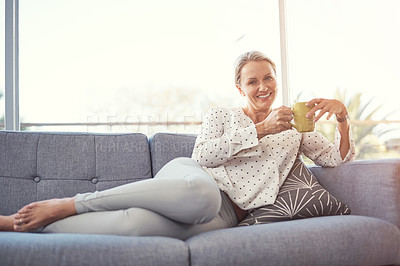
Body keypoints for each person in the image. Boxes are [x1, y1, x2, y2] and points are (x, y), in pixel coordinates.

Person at [0, 51, 355, 239]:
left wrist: (342, 119)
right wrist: (260, 129)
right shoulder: (222, 114)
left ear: (277, 80)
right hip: (193, 179)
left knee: (135, 228)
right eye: (252, 81)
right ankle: (69, 203)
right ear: (239, 87)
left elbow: (337, 160)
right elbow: (204, 156)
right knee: (200, 196)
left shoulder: (295, 128)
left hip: (228, 213)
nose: (263, 87)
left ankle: (21, 224)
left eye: (268, 78)